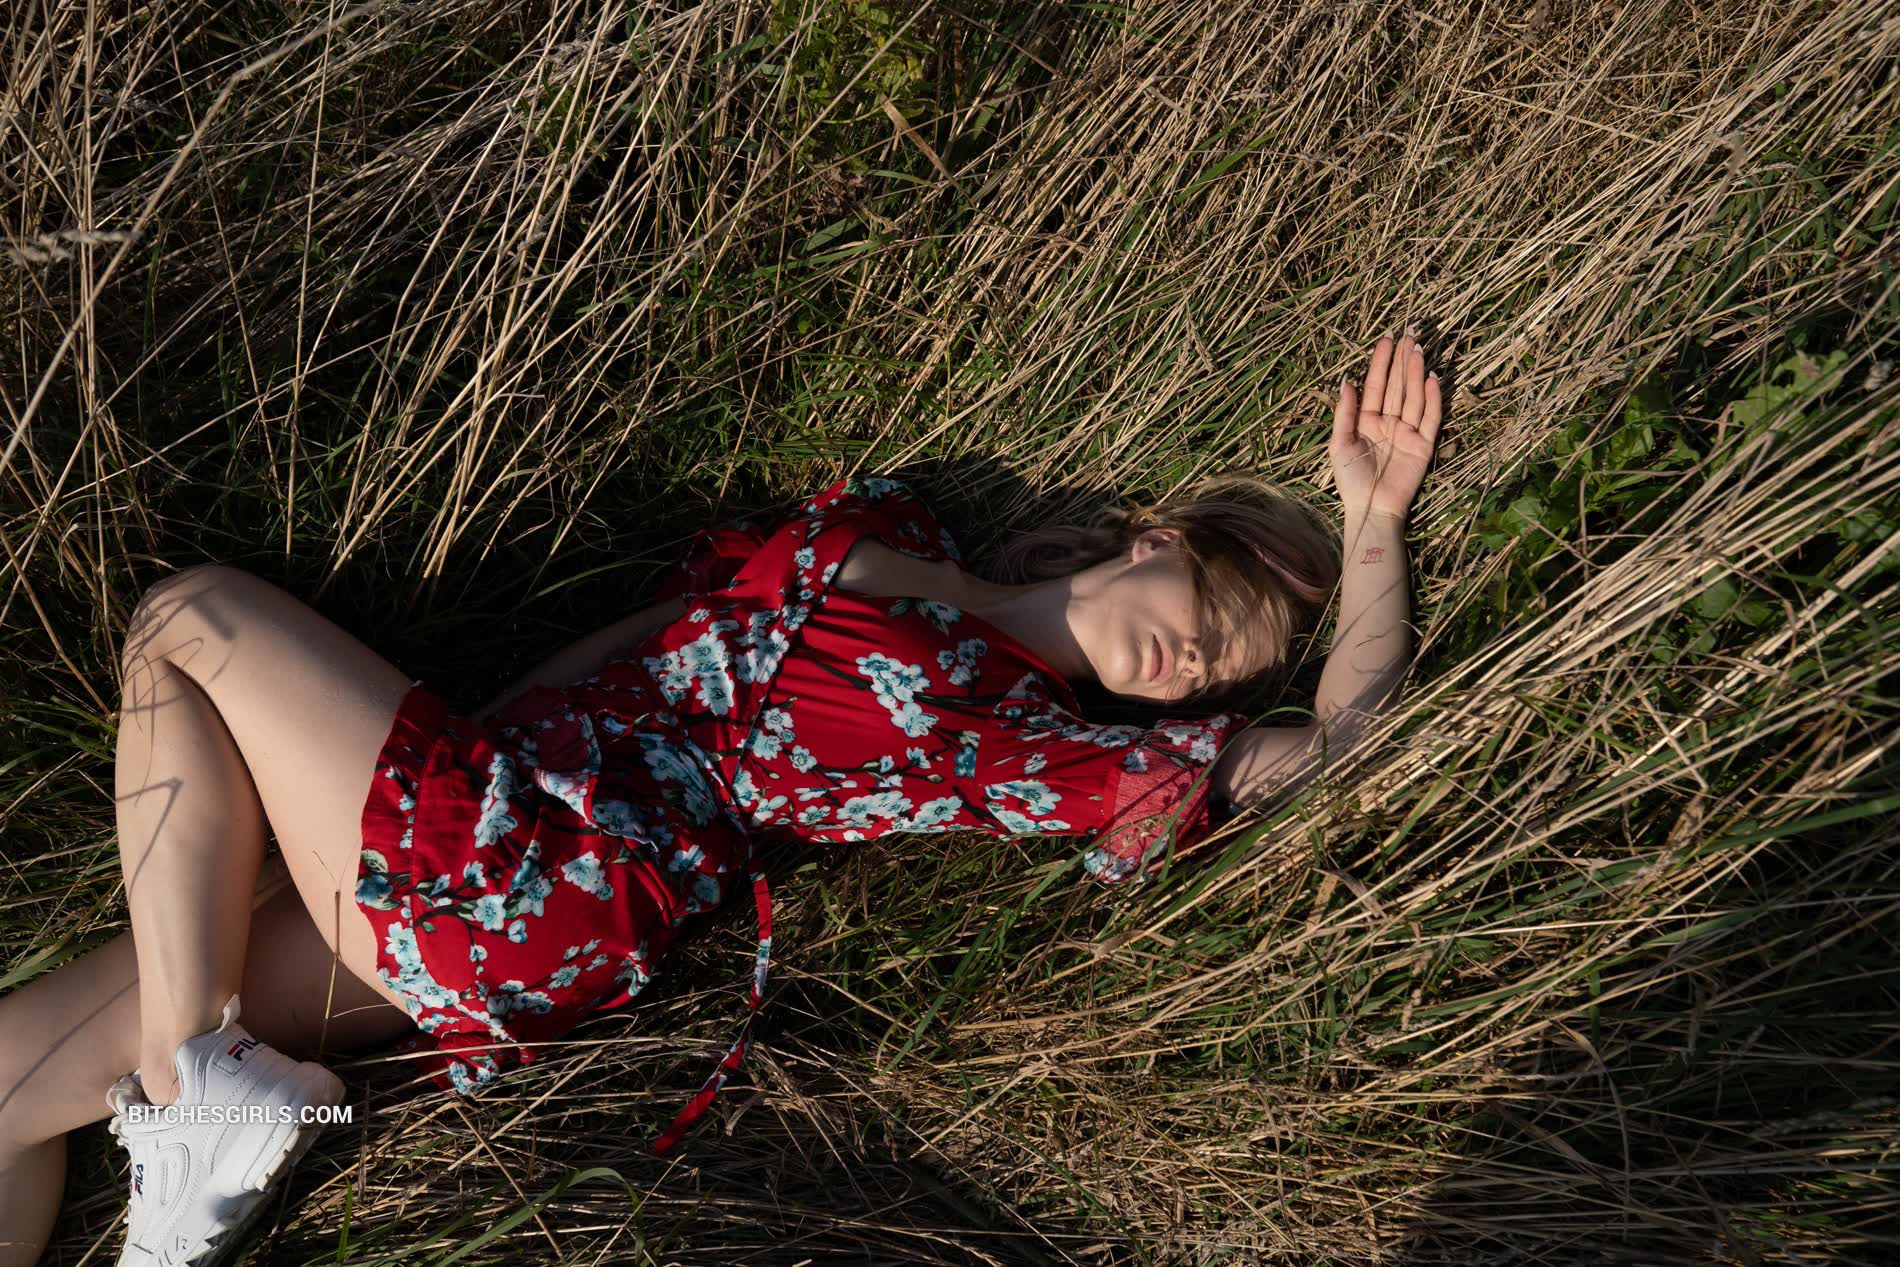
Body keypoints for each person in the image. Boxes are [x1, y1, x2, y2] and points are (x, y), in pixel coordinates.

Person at [0, 333, 1440, 1266]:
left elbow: (1344, 747)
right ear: (1156, 539)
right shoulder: (892, 530)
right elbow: (641, 642)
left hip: (560, 869)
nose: (1196, 663)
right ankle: (201, 1093)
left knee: (189, 616)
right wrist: (449, 762)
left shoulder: (1041, 750)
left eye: (1222, 673)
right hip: (488, 823)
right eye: (1212, 613)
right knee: (6, 1087)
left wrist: (1375, 523)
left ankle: (195, 1090)